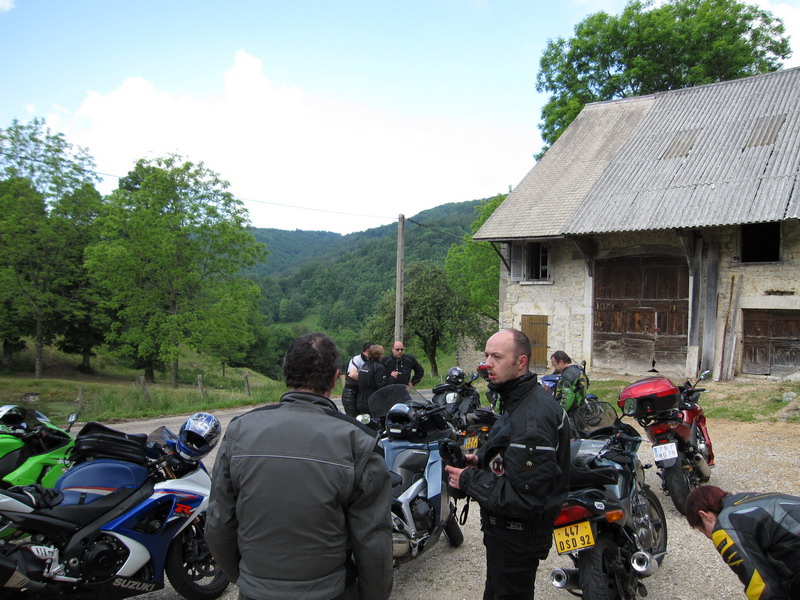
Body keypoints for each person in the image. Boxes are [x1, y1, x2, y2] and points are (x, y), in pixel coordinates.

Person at [206, 332, 393, 600]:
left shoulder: (239, 431)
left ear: (286, 374)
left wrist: (248, 579)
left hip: (255, 591)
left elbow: (218, 524)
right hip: (330, 591)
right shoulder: (359, 442)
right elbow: (374, 543)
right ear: (335, 378)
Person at [445, 329, 571, 599]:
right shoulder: (517, 400)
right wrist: (481, 461)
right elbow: (513, 458)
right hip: (504, 534)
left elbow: (525, 497)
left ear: (521, 362)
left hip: (518, 537)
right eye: (486, 355)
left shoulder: (531, 417)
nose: (487, 364)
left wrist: (468, 479)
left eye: (497, 357)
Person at [686, 485, 800, 599]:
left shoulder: (725, 525)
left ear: (704, 516)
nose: (709, 537)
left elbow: (761, 586)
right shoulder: (750, 499)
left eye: (702, 530)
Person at [357, 344, 398, 414]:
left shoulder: (365, 365)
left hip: (362, 401)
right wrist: (392, 377)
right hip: (374, 403)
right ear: (379, 354)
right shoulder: (379, 367)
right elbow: (382, 386)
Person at [550, 350, 589, 415]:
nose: (555, 368)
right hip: (578, 409)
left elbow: (567, 397)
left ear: (561, 362)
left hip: (571, 413)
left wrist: (560, 414)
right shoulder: (576, 369)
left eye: (555, 365)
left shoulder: (569, 375)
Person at [341, 341, 373, 417]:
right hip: (351, 393)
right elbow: (352, 374)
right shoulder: (356, 359)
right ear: (368, 351)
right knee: (353, 417)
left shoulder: (372, 361)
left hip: (363, 394)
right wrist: (369, 379)